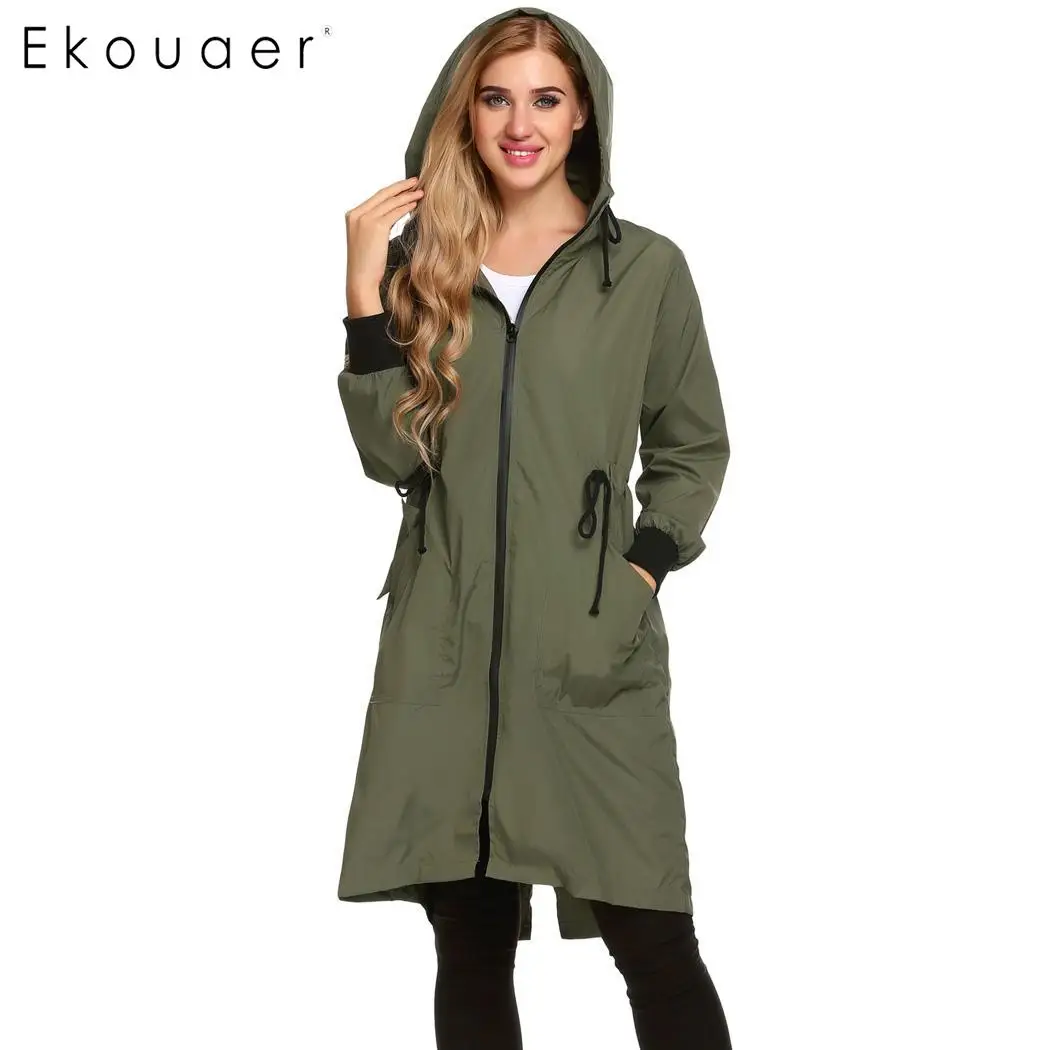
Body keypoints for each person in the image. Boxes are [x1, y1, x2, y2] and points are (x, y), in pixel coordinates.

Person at [337, 7, 732, 1049]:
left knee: (654, 938)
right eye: (497, 98)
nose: (521, 125)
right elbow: (392, 459)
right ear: (463, 113)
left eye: (546, 99)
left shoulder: (645, 270)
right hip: (449, 647)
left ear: (583, 114)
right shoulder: (425, 266)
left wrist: (641, 573)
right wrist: (364, 295)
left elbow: (693, 446)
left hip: (590, 647)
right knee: (469, 948)